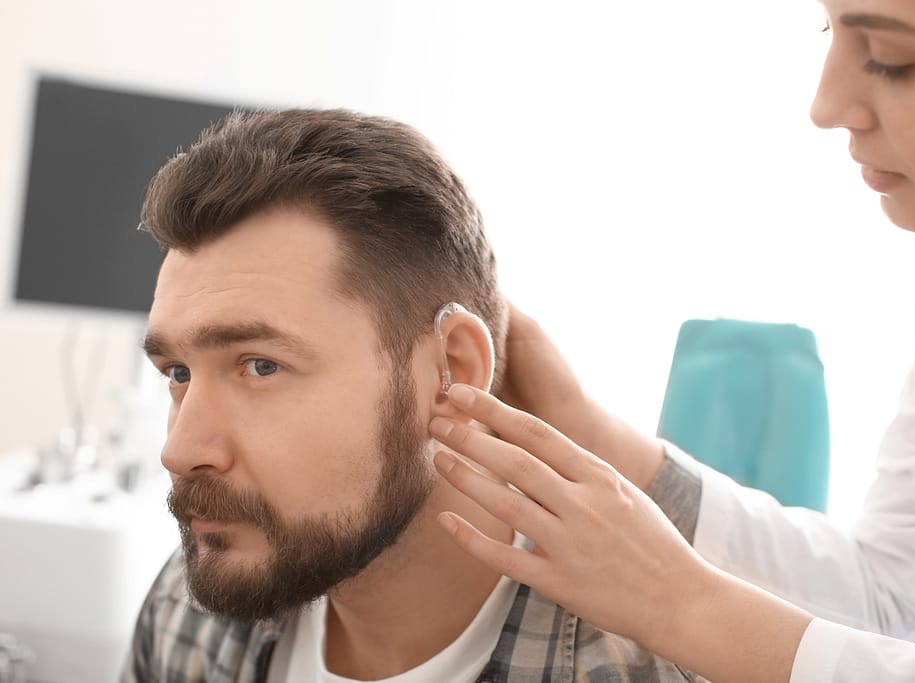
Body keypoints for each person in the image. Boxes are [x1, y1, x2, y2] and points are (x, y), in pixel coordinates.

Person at [427, 0, 915, 681]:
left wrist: (681, 605)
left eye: (893, 58)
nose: (825, 105)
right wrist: (594, 437)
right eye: (831, 31)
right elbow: (892, 602)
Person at [119, 109, 700, 682]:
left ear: (451, 371)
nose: (179, 450)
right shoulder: (187, 612)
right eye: (178, 373)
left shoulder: (633, 670)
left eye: (261, 366)